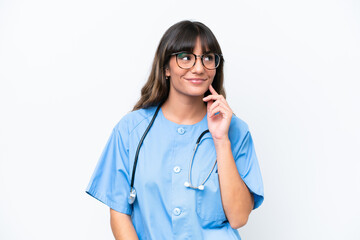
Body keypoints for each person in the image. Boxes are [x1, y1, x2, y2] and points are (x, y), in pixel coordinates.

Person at [86, 20, 264, 240]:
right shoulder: (131, 130)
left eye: (208, 58)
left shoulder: (235, 130)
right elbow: (119, 212)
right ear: (166, 67)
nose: (199, 68)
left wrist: (221, 140)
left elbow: (238, 218)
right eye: (186, 57)